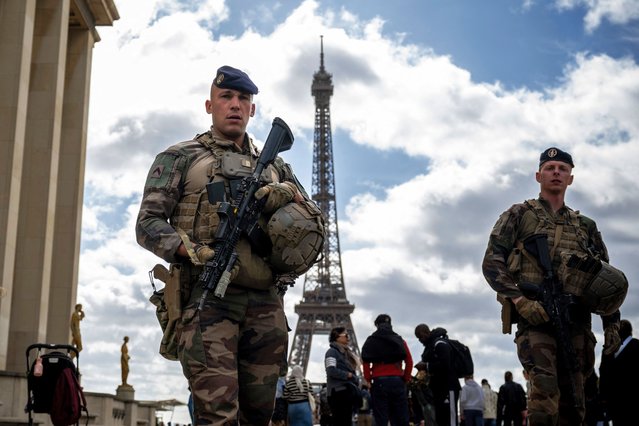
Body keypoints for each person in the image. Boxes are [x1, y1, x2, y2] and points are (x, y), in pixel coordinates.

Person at [136, 65, 322, 425]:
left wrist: (279, 195)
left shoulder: (276, 167)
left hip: (267, 305)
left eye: (244, 99)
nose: (235, 105)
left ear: (252, 109)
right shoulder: (180, 157)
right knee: (217, 416)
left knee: (260, 416)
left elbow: (313, 218)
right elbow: (148, 225)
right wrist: (194, 251)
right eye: (226, 97)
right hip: (210, 305)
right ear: (210, 105)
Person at [482, 147, 627, 425]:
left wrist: (612, 323)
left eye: (562, 168)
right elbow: (491, 263)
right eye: (550, 168)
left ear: (571, 178)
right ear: (539, 176)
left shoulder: (585, 226)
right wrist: (521, 301)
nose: (556, 173)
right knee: (544, 399)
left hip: (577, 322)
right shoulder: (519, 215)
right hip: (536, 319)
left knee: (575, 401)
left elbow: (603, 279)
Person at [361, 314, 413, 426]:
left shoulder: (371, 340)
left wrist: (368, 379)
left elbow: (365, 362)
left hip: (379, 382)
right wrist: (405, 378)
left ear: (377, 325)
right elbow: (409, 361)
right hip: (397, 381)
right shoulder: (400, 340)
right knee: (401, 418)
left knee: (381, 418)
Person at [414, 323, 461, 426]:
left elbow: (445, 364)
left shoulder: (439, 344)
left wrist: (426, 366)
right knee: (440, 419)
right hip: (438, 389)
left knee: (450, 419)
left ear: (427, 332)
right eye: (418, 338)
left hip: (449, 387)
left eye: (421, 337)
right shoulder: (430, 346)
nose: (420, 340)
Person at [599, 319, 639, 425]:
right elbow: (603, 374)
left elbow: (603, 375)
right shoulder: (609, 350)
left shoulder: (608, 351)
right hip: (617, 406)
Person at [325, 326, 361, 426]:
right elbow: (331, 370)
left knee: (345, 421)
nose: (348, 338)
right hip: (338, 393)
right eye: (346, 335)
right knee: (341, 421)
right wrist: (348, 375)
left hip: (346, 393)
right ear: (337, 336)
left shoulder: (346, 353)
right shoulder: (331, 352)